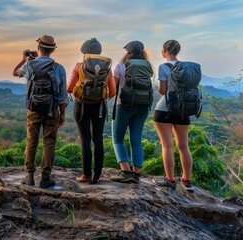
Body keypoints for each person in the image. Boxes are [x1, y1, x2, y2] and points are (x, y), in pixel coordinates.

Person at [12, 35, 68, 188]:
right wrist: (62, 114)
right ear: (52, 50)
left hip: (34, 109)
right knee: (49, 142)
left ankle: (29, 176)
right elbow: (62, 95)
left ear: (39, 48)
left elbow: (15, 72)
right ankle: (45, 178)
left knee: (32, 141)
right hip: (52, 109)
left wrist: (25, 58)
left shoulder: (30, 65)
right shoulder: (59, 68)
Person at [67, 38, 116, 184]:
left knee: (85, 139)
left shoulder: (79, 66)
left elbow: (69, 88)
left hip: (81, 106)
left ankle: (86, 175)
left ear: (84, 52)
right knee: (98, 139)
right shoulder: (107, 68)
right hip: (100, 107)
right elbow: (113, 91)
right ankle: (97, 175)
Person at [152, 40, 196, 192]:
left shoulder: (163, 67)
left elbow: (163, 91)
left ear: (164, 50)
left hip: (164, 109)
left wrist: (160, 85)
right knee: (184, 146)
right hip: (183, 110)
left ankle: (170, 180)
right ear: (178, 51)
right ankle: (187, 180)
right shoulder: (186, 67)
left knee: (167, 146)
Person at [109, 41, 153, 183]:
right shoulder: (148, 65)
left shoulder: (121, 65)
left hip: (124, 105)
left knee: (118, 139)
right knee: (136, 139)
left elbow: (113, 89)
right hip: (143, 105)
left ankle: (125, 171)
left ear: (128, 52)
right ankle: (137, 173)